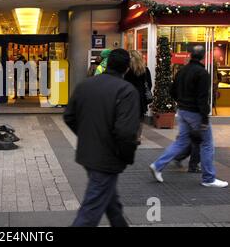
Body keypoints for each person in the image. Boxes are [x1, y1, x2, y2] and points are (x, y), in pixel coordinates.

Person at [64, 49, 140, 227]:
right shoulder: (126, 91)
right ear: (127, 68)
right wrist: (127, 156)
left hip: (88, 153)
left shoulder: (85, 85)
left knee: (110, 200)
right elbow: (126, 132)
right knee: (91, 210)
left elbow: (69, 116)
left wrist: (87, 136)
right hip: (107, 158)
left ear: (107, 63)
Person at [149, 45, 228, 188]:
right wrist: (204, 118)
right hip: (195, 113)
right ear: (203, 57)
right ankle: (208, 178)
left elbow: (172, 90)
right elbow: (202, 98)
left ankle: (158, 165)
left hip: (183, 110)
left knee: (181, 141)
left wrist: (180, 101)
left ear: (190, 55)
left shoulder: (182, 71)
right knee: (207, 144)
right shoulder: (202, 73)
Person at [124, 50, 152, 144]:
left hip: (129, 95)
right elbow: (149, 84)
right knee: (140, 117)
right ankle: (138, 137)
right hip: (141, 97)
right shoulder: (145, 69)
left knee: (129, 116)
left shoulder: (127, 70)